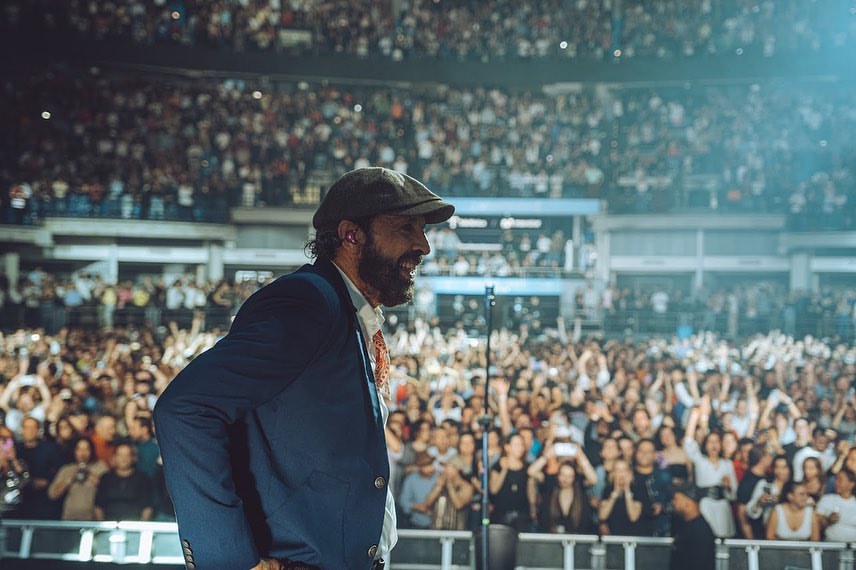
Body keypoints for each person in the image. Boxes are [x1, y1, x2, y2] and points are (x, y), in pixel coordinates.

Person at [153, 167, 454, 570]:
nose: (423, 245)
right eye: (405, 228)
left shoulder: (347, 311)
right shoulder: (308, 301)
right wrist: (230, 560)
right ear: (352, 234)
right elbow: (185, 408)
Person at [47, 436, 109, 520]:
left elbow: (108, 489)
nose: (83, 453)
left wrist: (88, 474)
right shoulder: (66, 469)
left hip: (92, 519)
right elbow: (52, 494)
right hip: (69, 518)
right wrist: (70, 479)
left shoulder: (100, 467)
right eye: (79, 449)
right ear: (74, 451)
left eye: (86, 449)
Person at [94, 441, 154, 522]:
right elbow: (98, 506)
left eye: (127, 455)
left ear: (133, 458)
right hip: (109, 525)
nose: (123, 459)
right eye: (120, 455)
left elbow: (147, 507)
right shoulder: (106, 478)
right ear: (114, 457)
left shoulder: (143, 479)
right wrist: (102, 526)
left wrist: (141, 526)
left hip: (135, 525)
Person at [670, 482, 715, 570]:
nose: (673, 502)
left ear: (688, 504)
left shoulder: (701, 531)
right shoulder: (683, 526)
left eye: (676, 499)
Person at [816, 468, 856, 542]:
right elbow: (817, 523)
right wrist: (828, 520)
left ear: (851, 483)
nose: (836, 482)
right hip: (832, 547)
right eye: (836, 479)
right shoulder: (827, 499)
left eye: (840, 480)